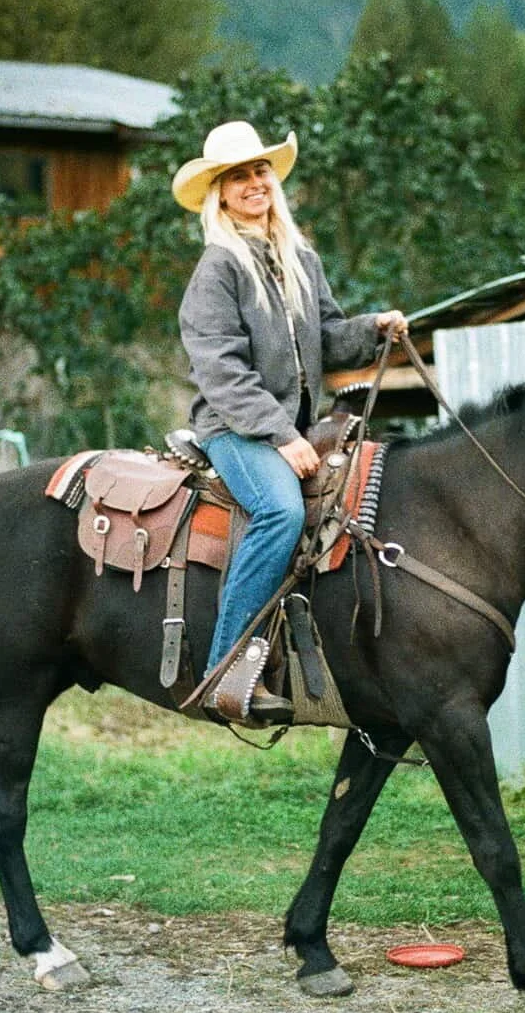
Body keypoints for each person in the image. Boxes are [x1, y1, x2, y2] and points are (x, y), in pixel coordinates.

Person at [173, 120, 407, 723]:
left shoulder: (299, 256)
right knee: (281, 510)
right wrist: (281, 437)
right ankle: (225, 669)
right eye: (238, 177)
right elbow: (221, 373)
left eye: (260, 171)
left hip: (290, 428)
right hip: (237, 428)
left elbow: (327, 338)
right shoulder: (217, 270)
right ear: (219, 193)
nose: (254, 183)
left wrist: (373, 329)